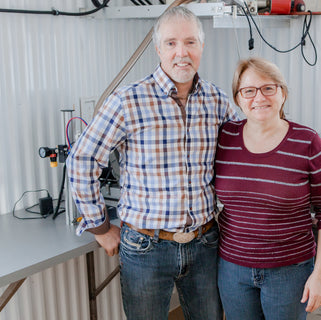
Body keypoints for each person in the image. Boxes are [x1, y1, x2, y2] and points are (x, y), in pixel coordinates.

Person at [66, 6, 237, 320]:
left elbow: (241, 161)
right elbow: (81, 159)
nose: (181, 52)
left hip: (206, 242)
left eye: (190, 42)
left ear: (202, 47)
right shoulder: (127, 100)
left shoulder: (219, 102)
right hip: (145, 247)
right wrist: (100, 228)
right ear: (158, 49)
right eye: (171, 43)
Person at [214, 57, 321, 320]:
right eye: (248, 90)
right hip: (233, 269)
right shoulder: (225, 137)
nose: (258, 97)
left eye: (268, 88)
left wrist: (320, 275)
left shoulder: (306, 142)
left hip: (289, 272)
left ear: (282, 93)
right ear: (238, 99)